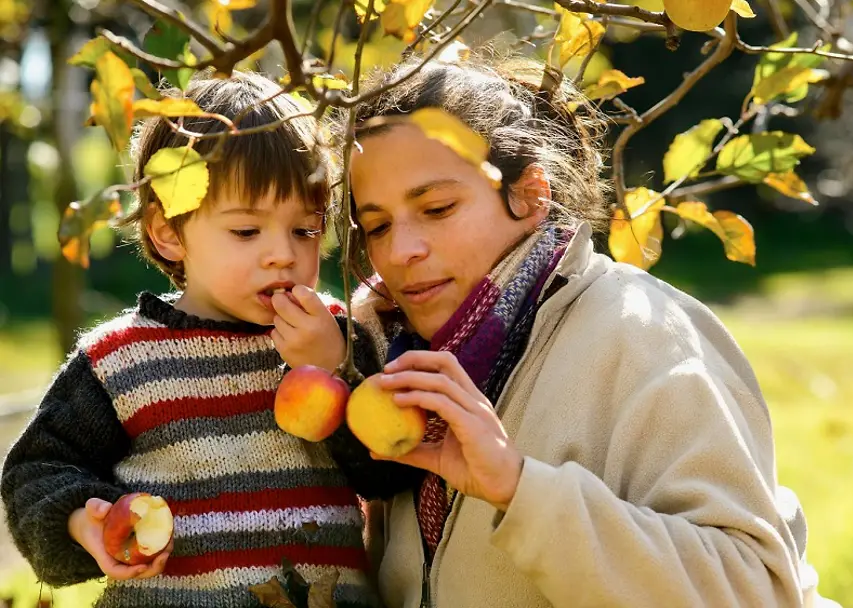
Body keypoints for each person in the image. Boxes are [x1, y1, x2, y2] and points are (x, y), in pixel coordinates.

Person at [324, 54, 819, 607]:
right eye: (377, 226)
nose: (399, 251)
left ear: (532, 195)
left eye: (438, 208)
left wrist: (517, 487)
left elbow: (754, 590)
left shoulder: (642, 333)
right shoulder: (391, 354)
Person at [1, 71, 382, 608]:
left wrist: (336, 368)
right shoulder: (122, 359)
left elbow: (386, 471)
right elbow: (34, 474)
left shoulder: (335, 337)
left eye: (305, 229)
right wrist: (87, 524)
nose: (283, 254)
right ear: (168, 233)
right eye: (247, 231)